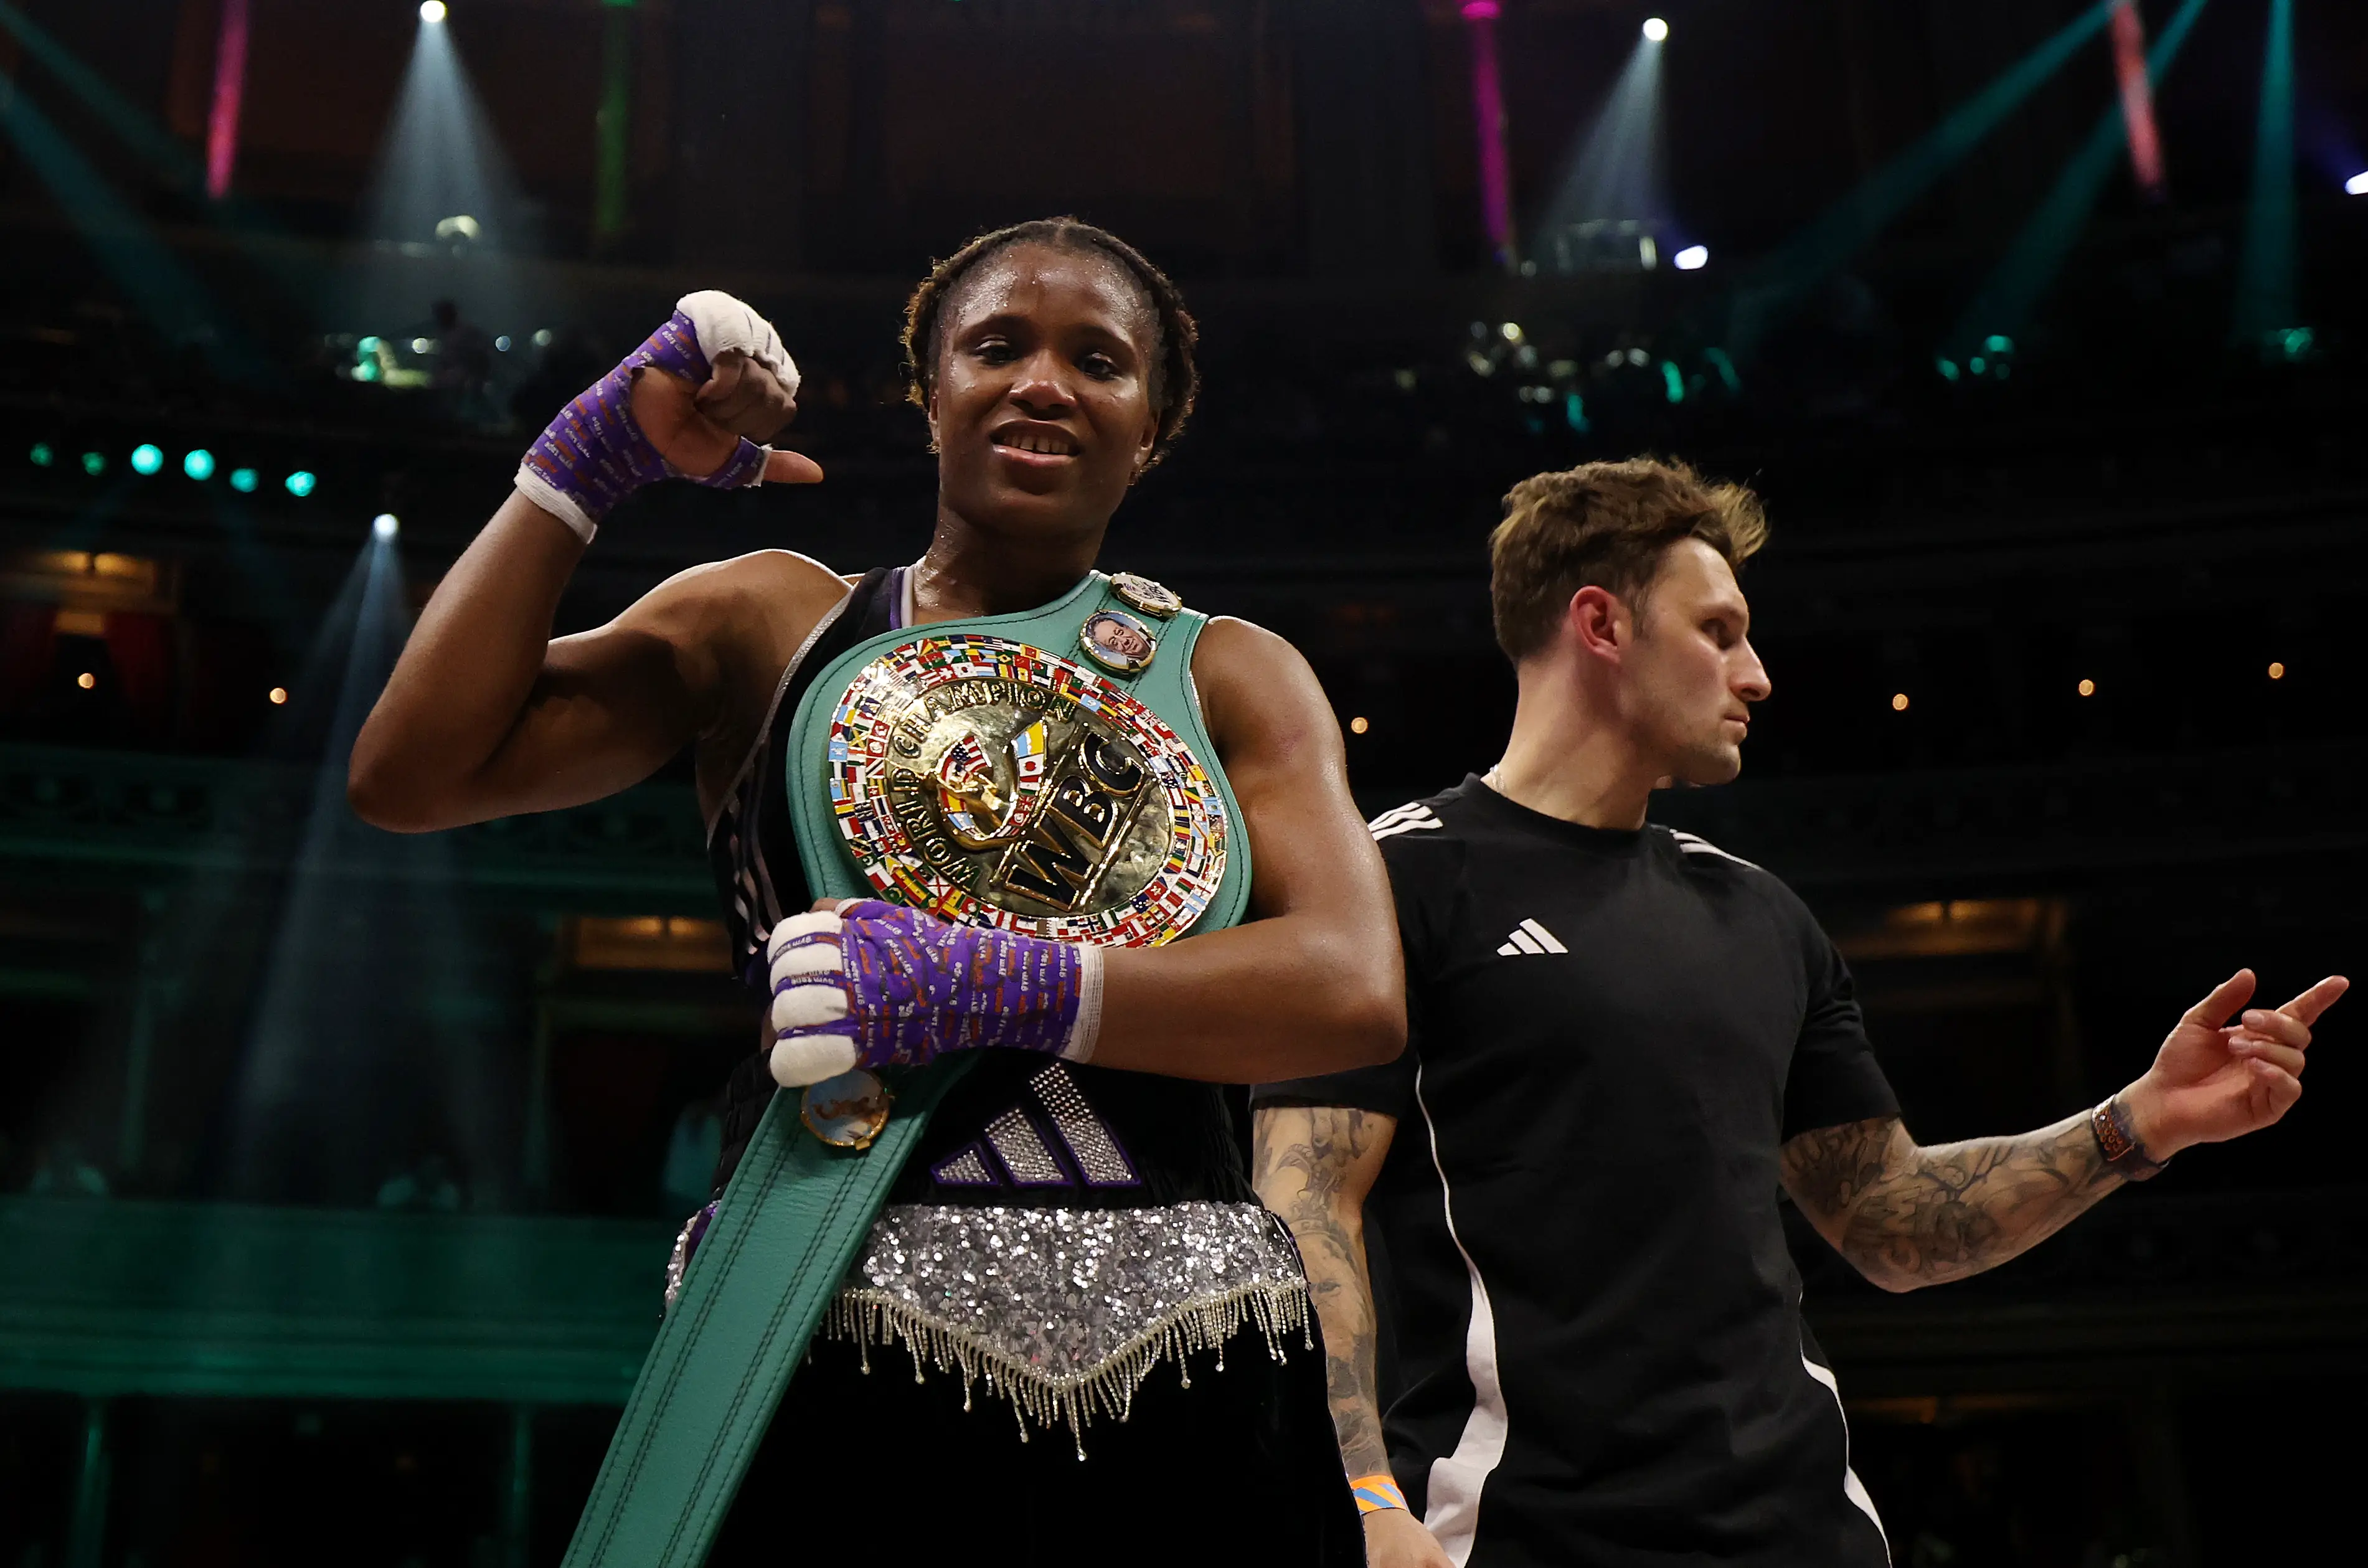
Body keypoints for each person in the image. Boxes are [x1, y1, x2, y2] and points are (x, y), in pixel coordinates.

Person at [349, 217, 1399, 1564]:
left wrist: (997, 980)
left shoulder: (1230, 674)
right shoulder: (771, 622)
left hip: (1191, 1365)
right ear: (930, 394)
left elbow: (1351, 988)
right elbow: (412, 773)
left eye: (1098, 358)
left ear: (1151, 430)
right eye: (996, 344)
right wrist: (577, 474)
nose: (1042, 380)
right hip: (820, 1311)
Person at [1249, 459, 2346, 1568]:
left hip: (1806, 1531)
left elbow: (1890, 1223)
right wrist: (1362, 1495)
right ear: (1600, 623)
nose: (1757, 674)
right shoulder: (1391, 885)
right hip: (1525, 1532)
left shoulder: (1760, 914)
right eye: (1717, 631)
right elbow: (1302, 1206)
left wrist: (2138, 1123)